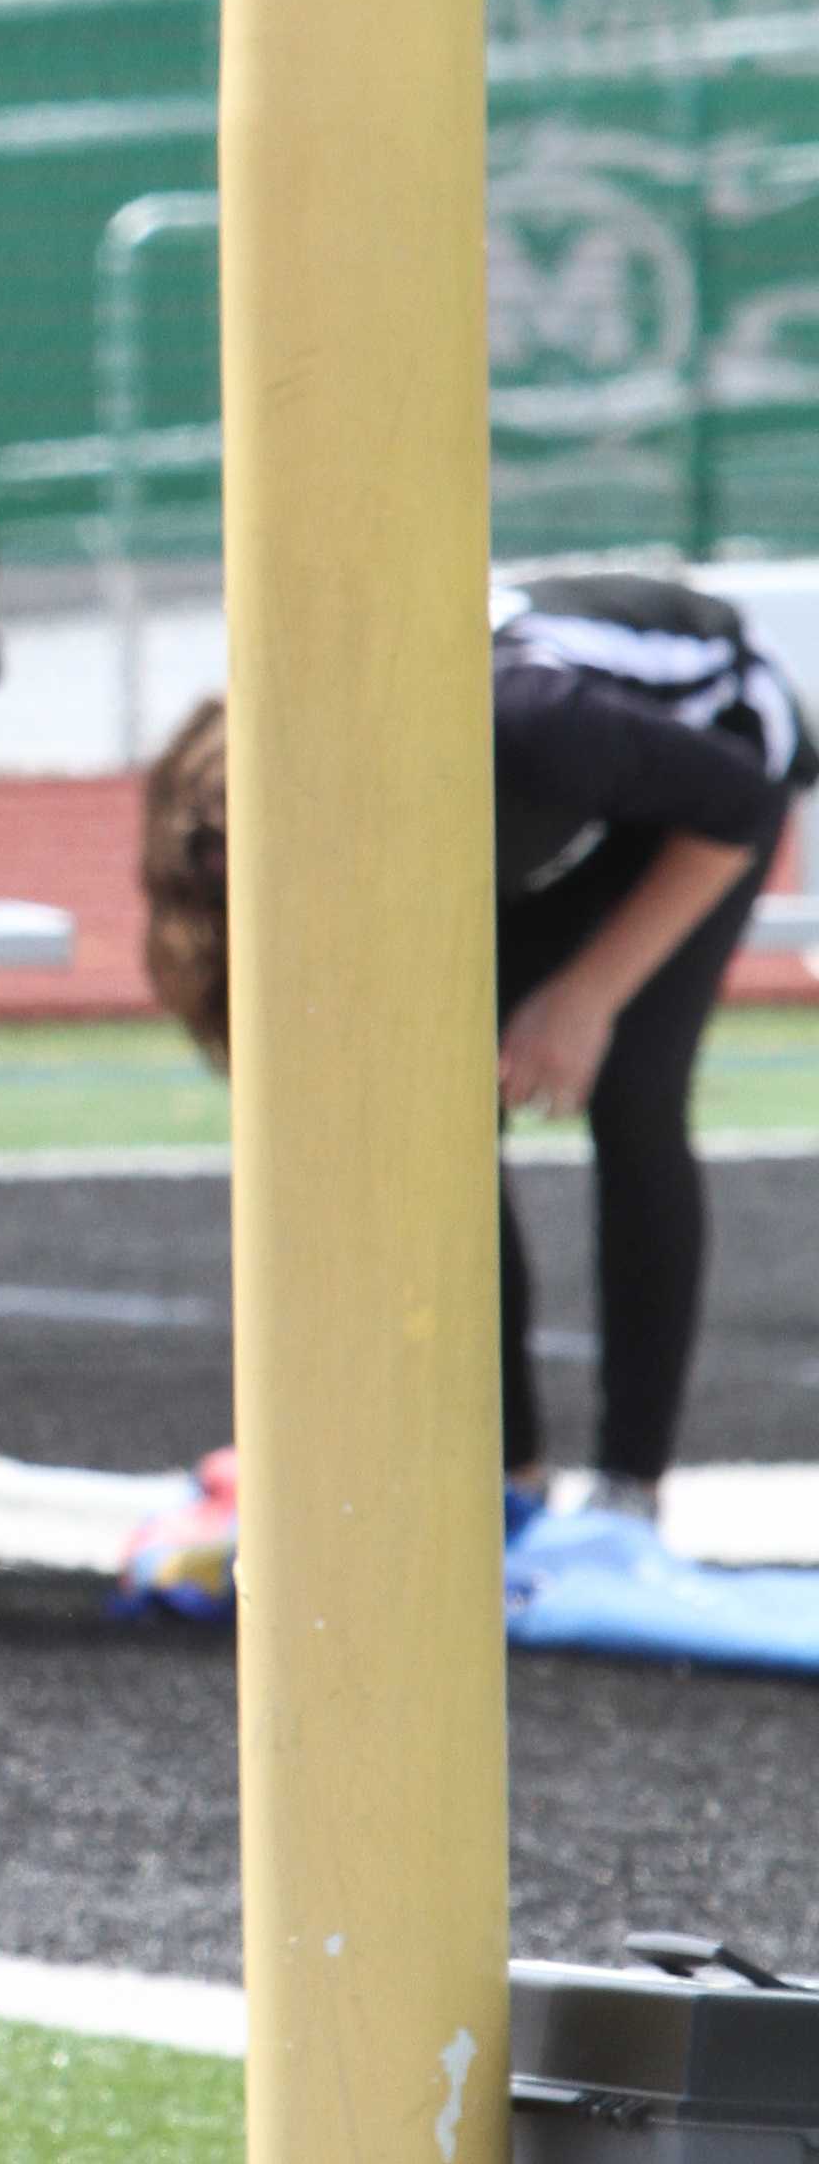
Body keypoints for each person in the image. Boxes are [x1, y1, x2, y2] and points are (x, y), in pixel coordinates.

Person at [140, 573, 812, 1515]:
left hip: (718, 766)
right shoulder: (295, 791)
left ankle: (632, 1488)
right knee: (443, 1102)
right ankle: (508, 1473)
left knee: (632, 1089)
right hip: (555, 803)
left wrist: (586, 995)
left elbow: (739, 807)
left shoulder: (521, 721)